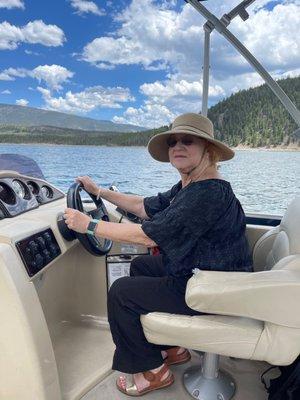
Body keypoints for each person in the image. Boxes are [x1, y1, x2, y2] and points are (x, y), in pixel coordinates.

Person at [64, 112, 253, 396]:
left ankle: (153, 372)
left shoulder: (207, 193)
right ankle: (172, 348)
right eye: (173, 141)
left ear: (208, 150)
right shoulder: (192, 185)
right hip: (207, 272)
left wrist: (88, 225)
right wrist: (99, 191)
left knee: (122, 292)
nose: (177, 146)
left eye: (188, 141)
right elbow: (143, 206)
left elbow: (146, 234)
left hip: (214, 289)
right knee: (142, 266)